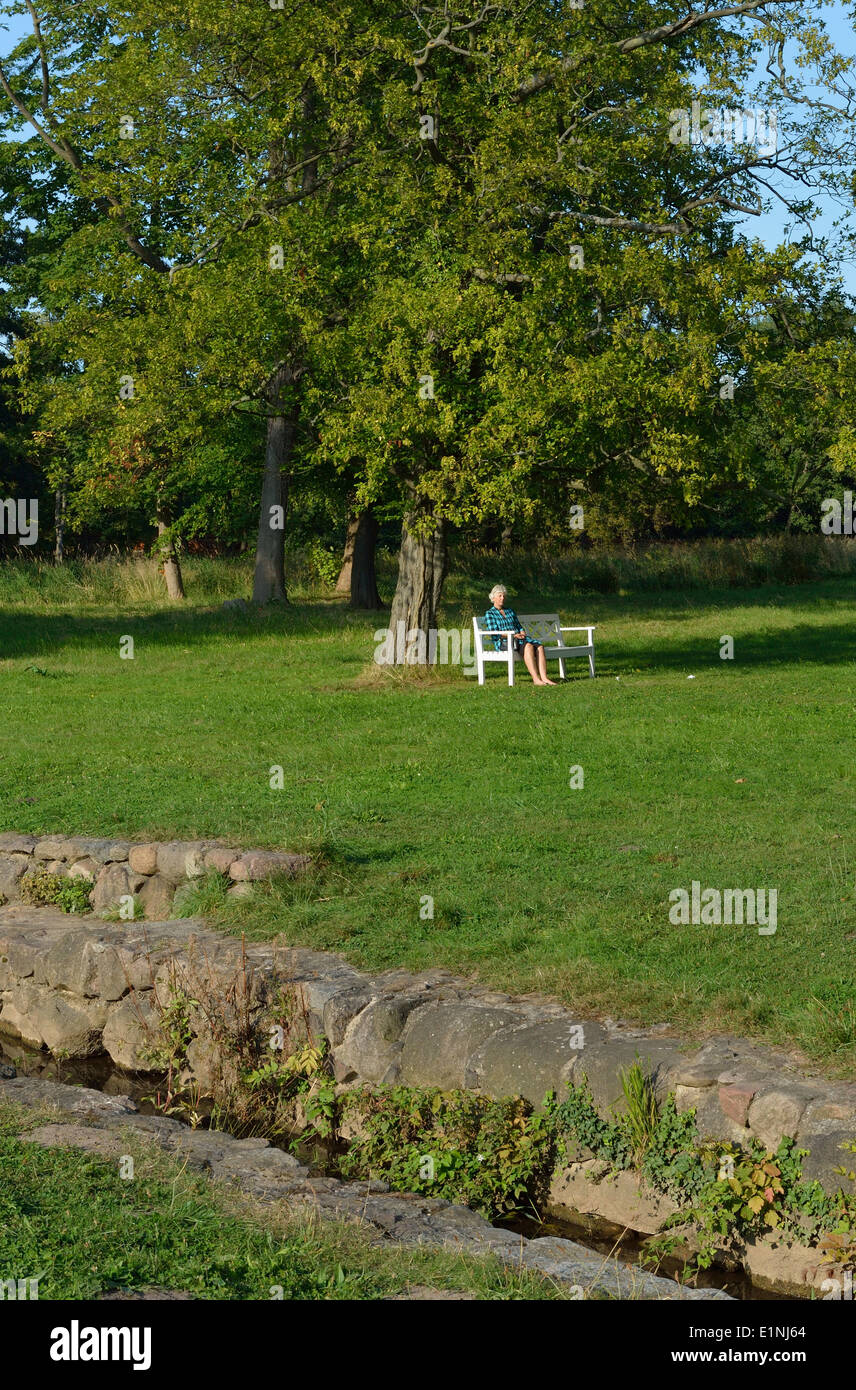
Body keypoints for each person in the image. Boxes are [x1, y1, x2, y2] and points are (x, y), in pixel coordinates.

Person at [483, 584, 556, 686]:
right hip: (504, 642)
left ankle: (544, 678)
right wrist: (513, 636)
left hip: (518, 640)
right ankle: (536, 679)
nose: (502, 598)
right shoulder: (490, 613)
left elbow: (518, 625)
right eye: (500, 596)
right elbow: (495, 633)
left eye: (504, 596)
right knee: (529, 646)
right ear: (493, 597)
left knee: (539, 647)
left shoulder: (510, 611)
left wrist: (522, 632)